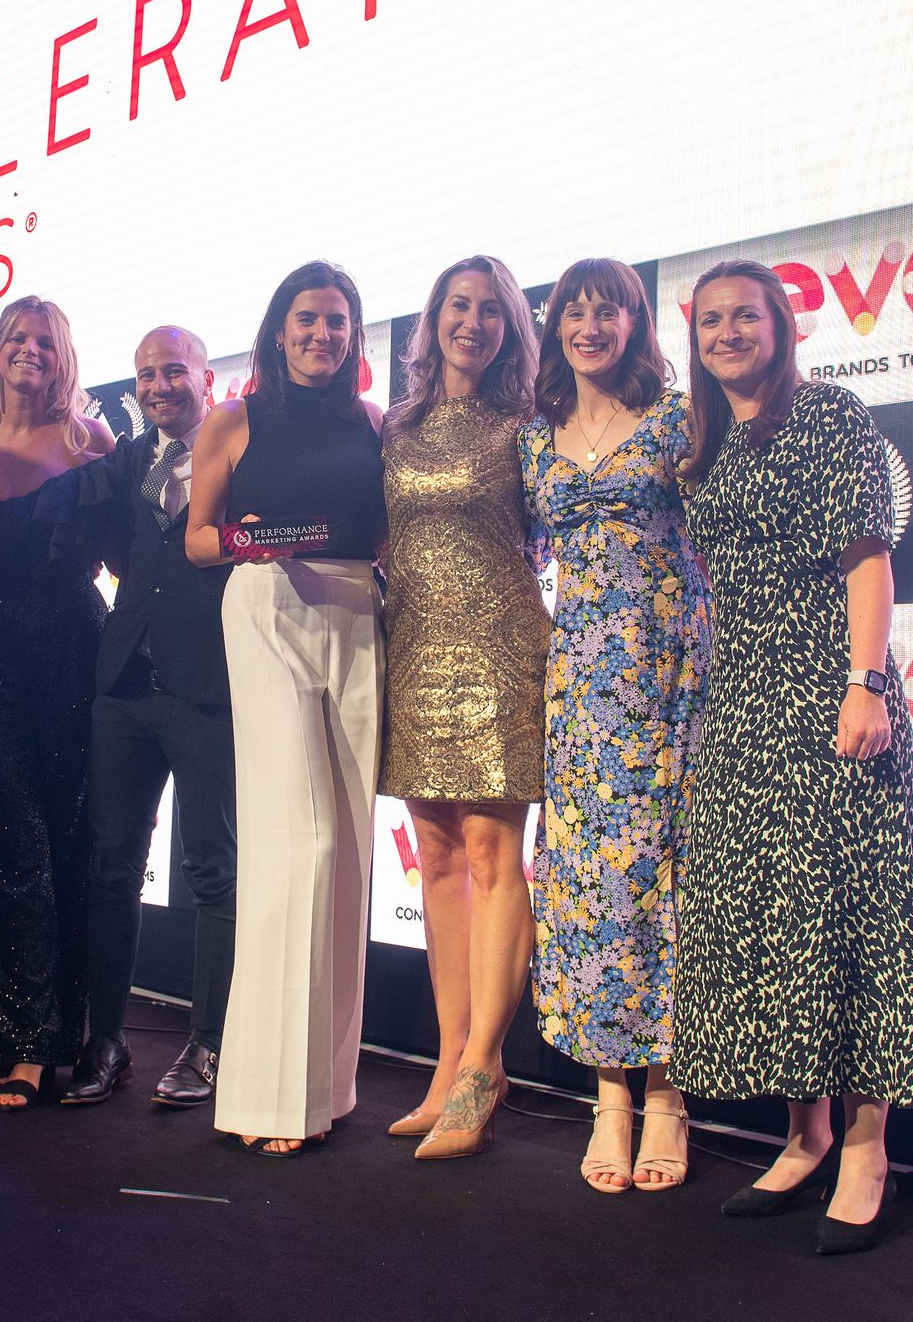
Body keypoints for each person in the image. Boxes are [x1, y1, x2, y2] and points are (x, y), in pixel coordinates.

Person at [672, 259, 913, 1253]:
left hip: (831, 693)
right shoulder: (704, 444)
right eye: (709, 319)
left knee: (852, 914)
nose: (726, 332)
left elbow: (866, 556)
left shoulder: (829, 415)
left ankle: (866, 1148)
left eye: (743, 315)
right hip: (743, 706)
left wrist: (864, 683)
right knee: (774, 917)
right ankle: (805, 1135)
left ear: (779, 324)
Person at [186, 261, 387, 1155]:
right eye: (308, 318)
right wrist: (249, 540)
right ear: (278, 327)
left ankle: (327, 1087)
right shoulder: (232, 420)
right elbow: (197, 538)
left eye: (338, 321)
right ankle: (268, 1095)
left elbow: (385, 532)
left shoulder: (372, 423)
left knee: (350, 851)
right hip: (267, 605)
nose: (322, 334)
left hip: (358, 612)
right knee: (299, 838)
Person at [518, 257, 710, 1190]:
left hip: (672, 669)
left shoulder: (679, 420)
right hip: (580, 684)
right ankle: (610, 1097)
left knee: (666, 874)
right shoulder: (533, 439)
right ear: (554, 327)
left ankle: (668, 1095)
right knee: (590, 880)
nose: (589, 327)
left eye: (609, 311)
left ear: (636, 323)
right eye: (574, 312)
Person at [379, 256, 548, 1158]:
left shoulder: (529, 425)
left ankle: (485, 1067)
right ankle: (447, 1067)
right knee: (438, 857)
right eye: (458, 305)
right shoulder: (395, 425)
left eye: (490, 310)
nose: (471, 322)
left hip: (500, 650)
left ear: (510, 328)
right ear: (434, 318)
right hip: (413, 648)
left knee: (491, 852)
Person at [0, 297, 114, 1108]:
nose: (29, 349)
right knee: (7, 847)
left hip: (75, 649)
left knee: (71, 844)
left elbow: (126, 554)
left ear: (62, 357)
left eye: (44, 340)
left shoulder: (90, 442)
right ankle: (23, 1043)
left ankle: (73, 1031)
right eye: (16, 337)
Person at [62, 326, 237, 1109]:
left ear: (207, 377)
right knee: (111, 867)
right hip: (124, 690)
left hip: (209, 688)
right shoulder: (127, 460)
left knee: (213, 869)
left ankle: (209, 1045)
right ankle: (106, 1040)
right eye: (145, 375)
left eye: (173, 371)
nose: (159, 386)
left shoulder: (240, 454)